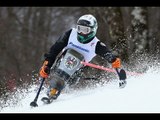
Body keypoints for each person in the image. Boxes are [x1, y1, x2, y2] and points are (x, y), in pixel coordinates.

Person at [39, 14, 126, 103]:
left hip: (76, 72)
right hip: (61, 64)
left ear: (93, 30)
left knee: (75, 59)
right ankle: (52, 89)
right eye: (80, 29)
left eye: (85, 30)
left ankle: (57, 89)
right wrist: (47, 64)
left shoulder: (96, 44)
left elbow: (110, 56)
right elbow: (55, 49)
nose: (81, 33)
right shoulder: (70, 34)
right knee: (70, 55)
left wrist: (118, 69)